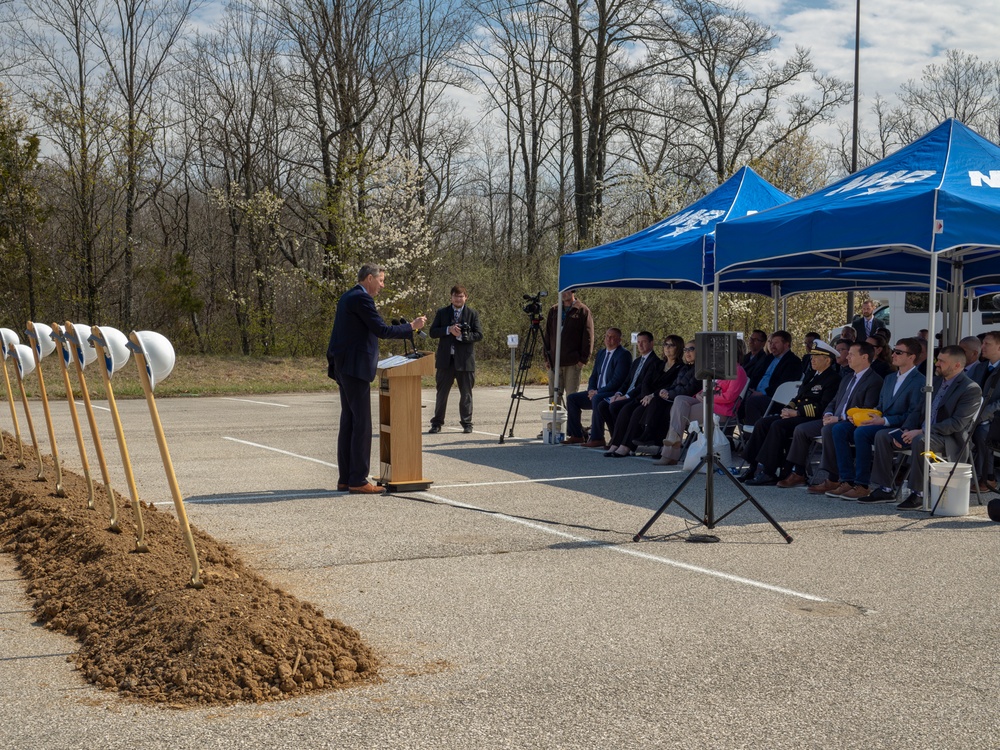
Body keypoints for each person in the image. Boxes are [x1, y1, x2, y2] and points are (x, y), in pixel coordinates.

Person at [327, 264, 427, 494]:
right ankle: (358, 480)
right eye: (381, 280)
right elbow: (381, 330)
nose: (382, 285)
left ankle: (346, 478)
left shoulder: (347, 296)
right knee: (361, 423)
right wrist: (411, 326)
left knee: (349, 422)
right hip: (355, 367)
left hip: (344, 366)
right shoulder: (362, 299)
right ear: (370, 278)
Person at [863, 345, 982, 508]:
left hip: (948, 438)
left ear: (957, 365)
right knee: (883, 436)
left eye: (942, 361)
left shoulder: (970, 389)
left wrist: (922, 431)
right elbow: (918, 411)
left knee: (921, 440)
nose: (937, 364)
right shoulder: (935, 382)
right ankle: (885, 488)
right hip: (921, 432)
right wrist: (905, 430)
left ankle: (918, 493)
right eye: (937, 359)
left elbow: (956, 424)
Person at [819, 337, 925, 499]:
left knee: (861, 433)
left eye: (898, 352)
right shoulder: (890, 378)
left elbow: (913, 414)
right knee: (843, 429)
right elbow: (880, 407)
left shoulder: (919, 381)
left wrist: (883, 421)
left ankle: (862, 484)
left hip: (900, 426)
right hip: (881, 422)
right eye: (894, 350)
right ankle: (847, 480)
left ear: (911, 357)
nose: (893, 354)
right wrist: (866, 417)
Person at [780, 341, 882, 489]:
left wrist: (839, 418)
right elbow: (834, 401)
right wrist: (828, 413)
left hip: (850, 422)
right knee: (801, 430)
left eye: (851, 355)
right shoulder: (848, 377)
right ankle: (798, 473)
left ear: (864, 357)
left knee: (830, 430)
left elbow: (867, 409)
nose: (847, 358)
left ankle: (834, 478)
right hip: (833, 419)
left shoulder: (874, 380)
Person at [740, 341, 841, 485]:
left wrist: (796, 413)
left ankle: (769, 472)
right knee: (762, 423)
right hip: (797, 414)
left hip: (811, 417)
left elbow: (823, 406)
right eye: (812, 356)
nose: (812, 359)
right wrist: (787, 408)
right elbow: (798, 397)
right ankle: (753, 467)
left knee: (778, 426)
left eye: (816, 357)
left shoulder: (833, 379)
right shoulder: (811, 374)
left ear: (827, 360)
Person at [656, 341, 749, 466]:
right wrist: (700, 394)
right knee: (679, 400)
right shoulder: (720, 369)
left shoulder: (738, 371)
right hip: (707, 402)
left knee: (679, 414)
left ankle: (670, 453)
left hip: (721, 409)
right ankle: (674, 442)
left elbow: (729, 397)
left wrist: (707, 396)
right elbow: (707, 387)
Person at [429, 285, 483, 434]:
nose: (458, 299)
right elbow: (432, 332)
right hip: (446, 360)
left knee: (466, 394)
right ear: (451, 297)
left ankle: (467, 423)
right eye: (455, 296)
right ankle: (437, 423)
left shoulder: (472, 313)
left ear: (466, 297)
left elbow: (479, 335)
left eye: (461, 296)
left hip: (465, 360)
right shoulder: (442, 312)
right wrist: (448, 330)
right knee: (441, 393)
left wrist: (463, 336)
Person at [564, 328, 632, 445]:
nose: (609, 340)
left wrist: (598, 392)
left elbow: (617, 380)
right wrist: (591, 389)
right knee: (572, 398)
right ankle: (576, 435)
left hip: (612, 393)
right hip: (597, 392)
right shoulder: (601, 353)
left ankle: (597, 437)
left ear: (619, 340)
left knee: (597, 399)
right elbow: (594, 375)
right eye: (607, 336)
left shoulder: (623, 355)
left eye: (612, 337)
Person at [602, 332, 662, 456]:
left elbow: (643, 385)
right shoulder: (637, 361)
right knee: (603, 405)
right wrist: (618, 393)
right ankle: (616, 440)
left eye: (644, 342)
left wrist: (626, 396)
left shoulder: (655, 362)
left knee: (619, 407)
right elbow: (627, 381)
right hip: (627, 394)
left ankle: (622, 442)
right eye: (638, 342)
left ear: (652, 343)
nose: (640, 345)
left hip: (638, 396)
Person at [634, 340, 699, 448]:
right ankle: (650, 436)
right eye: (685, 350)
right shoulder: (685, 368)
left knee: (661, 405)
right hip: (674, 397)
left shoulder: (699, 370)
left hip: (685, 401)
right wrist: (665, 391)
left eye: (691, 349)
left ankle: (653, 438)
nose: (688, 352)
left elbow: (690, 390)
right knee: (656, 401)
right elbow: (674, 385)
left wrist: (669, 394)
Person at [544, 289, 594, 409]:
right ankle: (553, 425)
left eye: (566, 291)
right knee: (553, 396)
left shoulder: (582, 310)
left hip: (573, 363)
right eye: (561, 291)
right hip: (554, 362)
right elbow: (547, 334)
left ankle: (572, 426)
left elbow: (588, 337)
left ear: (573, 291)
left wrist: (583, 360)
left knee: (572, 397)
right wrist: (546, 357)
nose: (563, 294)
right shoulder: (554, 310)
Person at [742, 331, 802, 424]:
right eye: (771, 343)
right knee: (735, 397)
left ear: (786, 344)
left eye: (776, 343)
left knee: (752, 401)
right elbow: (757, 375)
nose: (772, 346)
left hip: (774, 398)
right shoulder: (769, 358)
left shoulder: (793, 362)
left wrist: (763, 393)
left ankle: (751, 435)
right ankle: (725, 432)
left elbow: (784, 384)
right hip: (756, 393)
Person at [969, 331, 1000, 491]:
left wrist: (983, 415)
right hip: (975, 415)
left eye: (987, 344)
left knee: (983, 434)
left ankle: (988, 477)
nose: (983, 347)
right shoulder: (980, 367)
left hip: (995, 419)